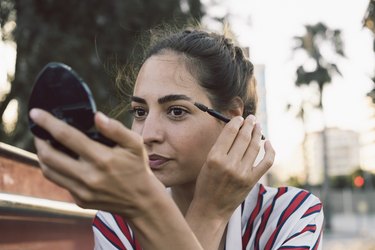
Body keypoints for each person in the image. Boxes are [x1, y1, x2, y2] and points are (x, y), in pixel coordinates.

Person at [29, 27, 323, 250]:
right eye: (140, 111)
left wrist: (210, 213)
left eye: (177, 111)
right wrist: (207, 213)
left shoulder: (291, 214)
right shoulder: (116, 223)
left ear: (233, 119)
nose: (147, 135)